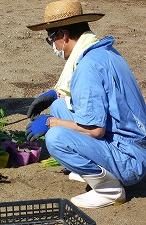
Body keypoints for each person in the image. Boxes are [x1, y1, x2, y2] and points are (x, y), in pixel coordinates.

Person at [25, 0, 146, 208]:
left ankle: (109, 189)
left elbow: (96, 130)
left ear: (63, 35)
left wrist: (50, 123)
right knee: (60, 107)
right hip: (135, 143)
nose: (52, 46)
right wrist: (55, 99)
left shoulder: (87, 67)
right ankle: (99, 168)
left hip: (131, 160)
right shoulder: (102, 52)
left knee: (55, 138)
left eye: (50, 39)